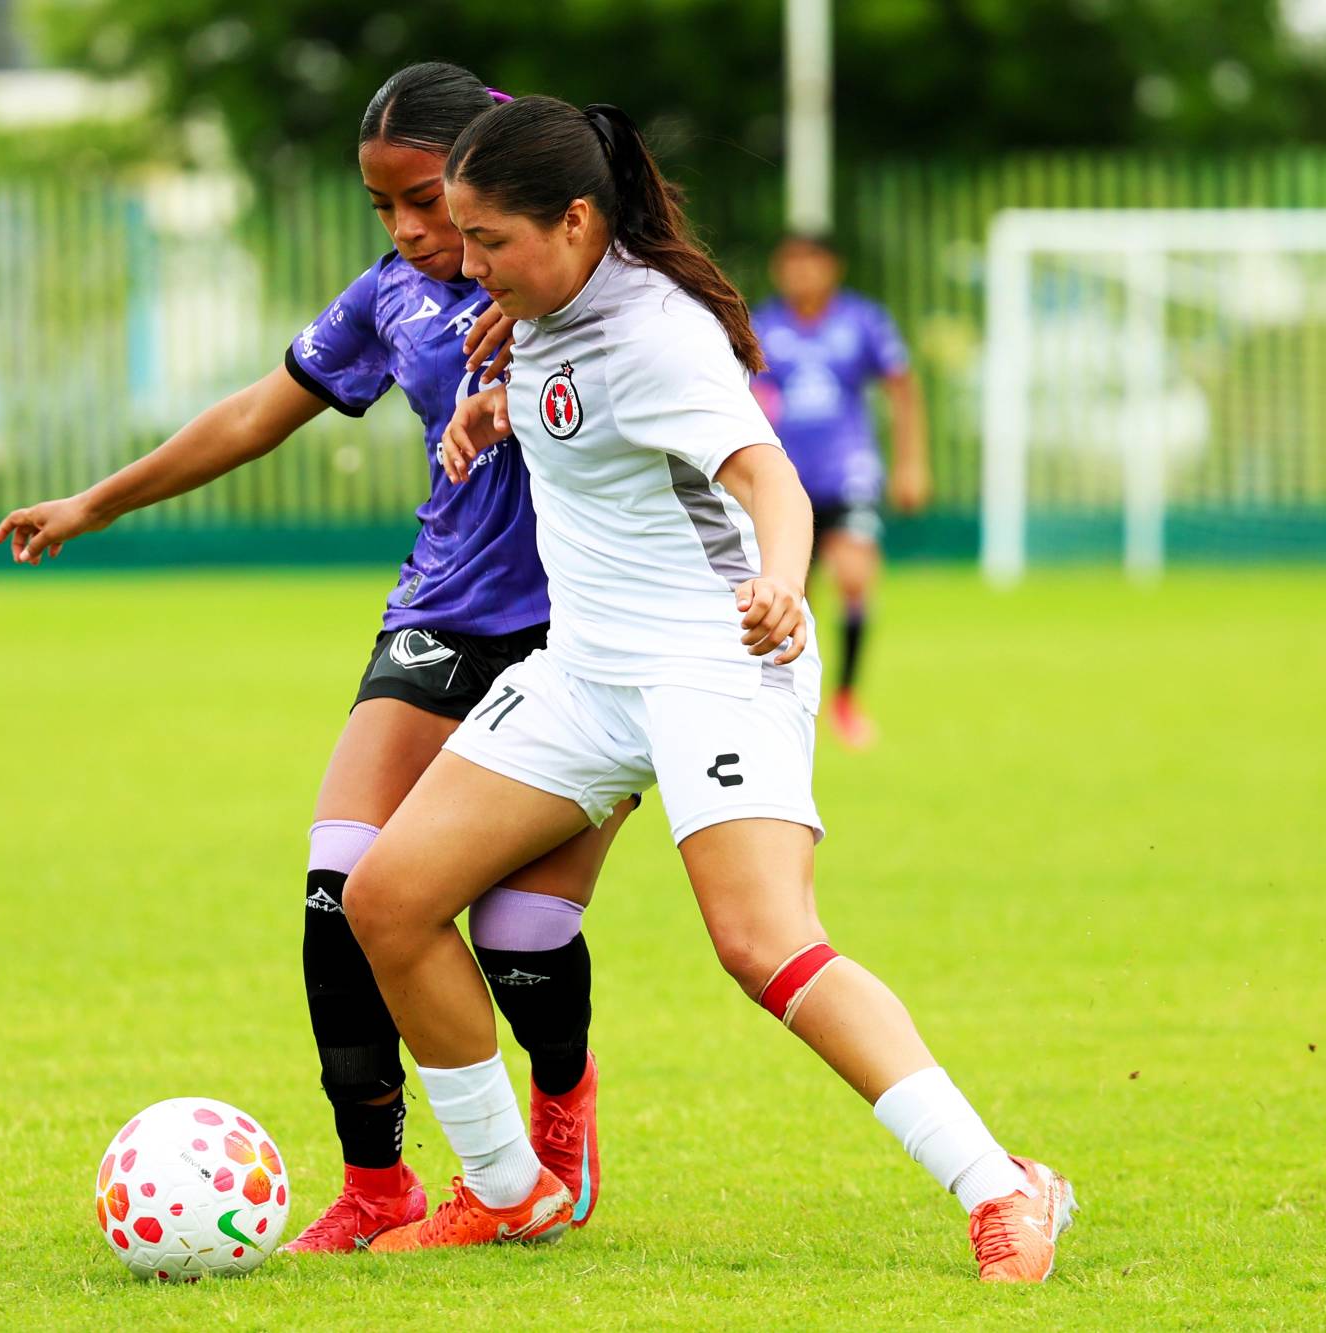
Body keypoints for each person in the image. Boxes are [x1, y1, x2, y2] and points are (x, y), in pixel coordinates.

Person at [342, 96, 1076, 1282]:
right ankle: (506, 1192)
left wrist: (781, 586)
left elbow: (766, 479)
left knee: (761, 943)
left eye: (487, 241)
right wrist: (494, 402)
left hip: (713, 665)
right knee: (385, 900)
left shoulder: (655, 332)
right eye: (458, 236)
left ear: (575, 221)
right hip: (584, 674)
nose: (462, 266)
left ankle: (1002, 1184)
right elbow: (576, 418)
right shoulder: (535, 308)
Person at [0, 63, 624, 1253]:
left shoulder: (594, 275)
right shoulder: (391, 295)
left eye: (425, 201)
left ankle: (557, 1113)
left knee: (520, 938)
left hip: (590, 638)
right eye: (382, 207)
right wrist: (98, 501)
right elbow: (252, 412)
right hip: (441, 618)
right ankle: (376, 1183)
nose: (407, 230)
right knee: (340, 885)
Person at [751, 233, 928, 749]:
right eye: (791, 264)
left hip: (848, 472)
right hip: (786, 481)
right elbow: (745, 391)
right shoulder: (763, 326)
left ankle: (847, 698)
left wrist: (911, 464)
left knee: (854, 575)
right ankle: (781, 704)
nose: (801, 274)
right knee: (787, 594)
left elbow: (902, 386)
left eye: (812, 263)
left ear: (833, 268)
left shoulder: (862, 321)